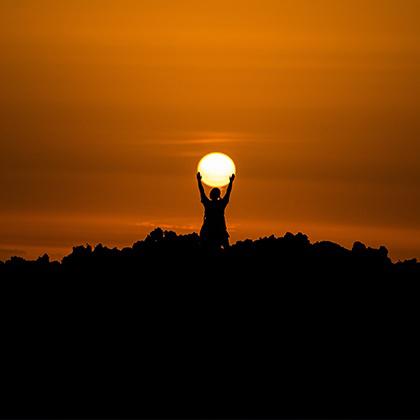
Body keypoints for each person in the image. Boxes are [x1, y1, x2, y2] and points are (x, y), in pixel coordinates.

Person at [197, 171, 235, 250]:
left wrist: (199, 181)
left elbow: (202, 192)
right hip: (219, 231)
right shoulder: (221, 204)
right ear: (218, 195)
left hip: (209, 231)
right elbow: (228, 193)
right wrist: (231, 182)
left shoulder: (208, 203)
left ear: (211, 195)